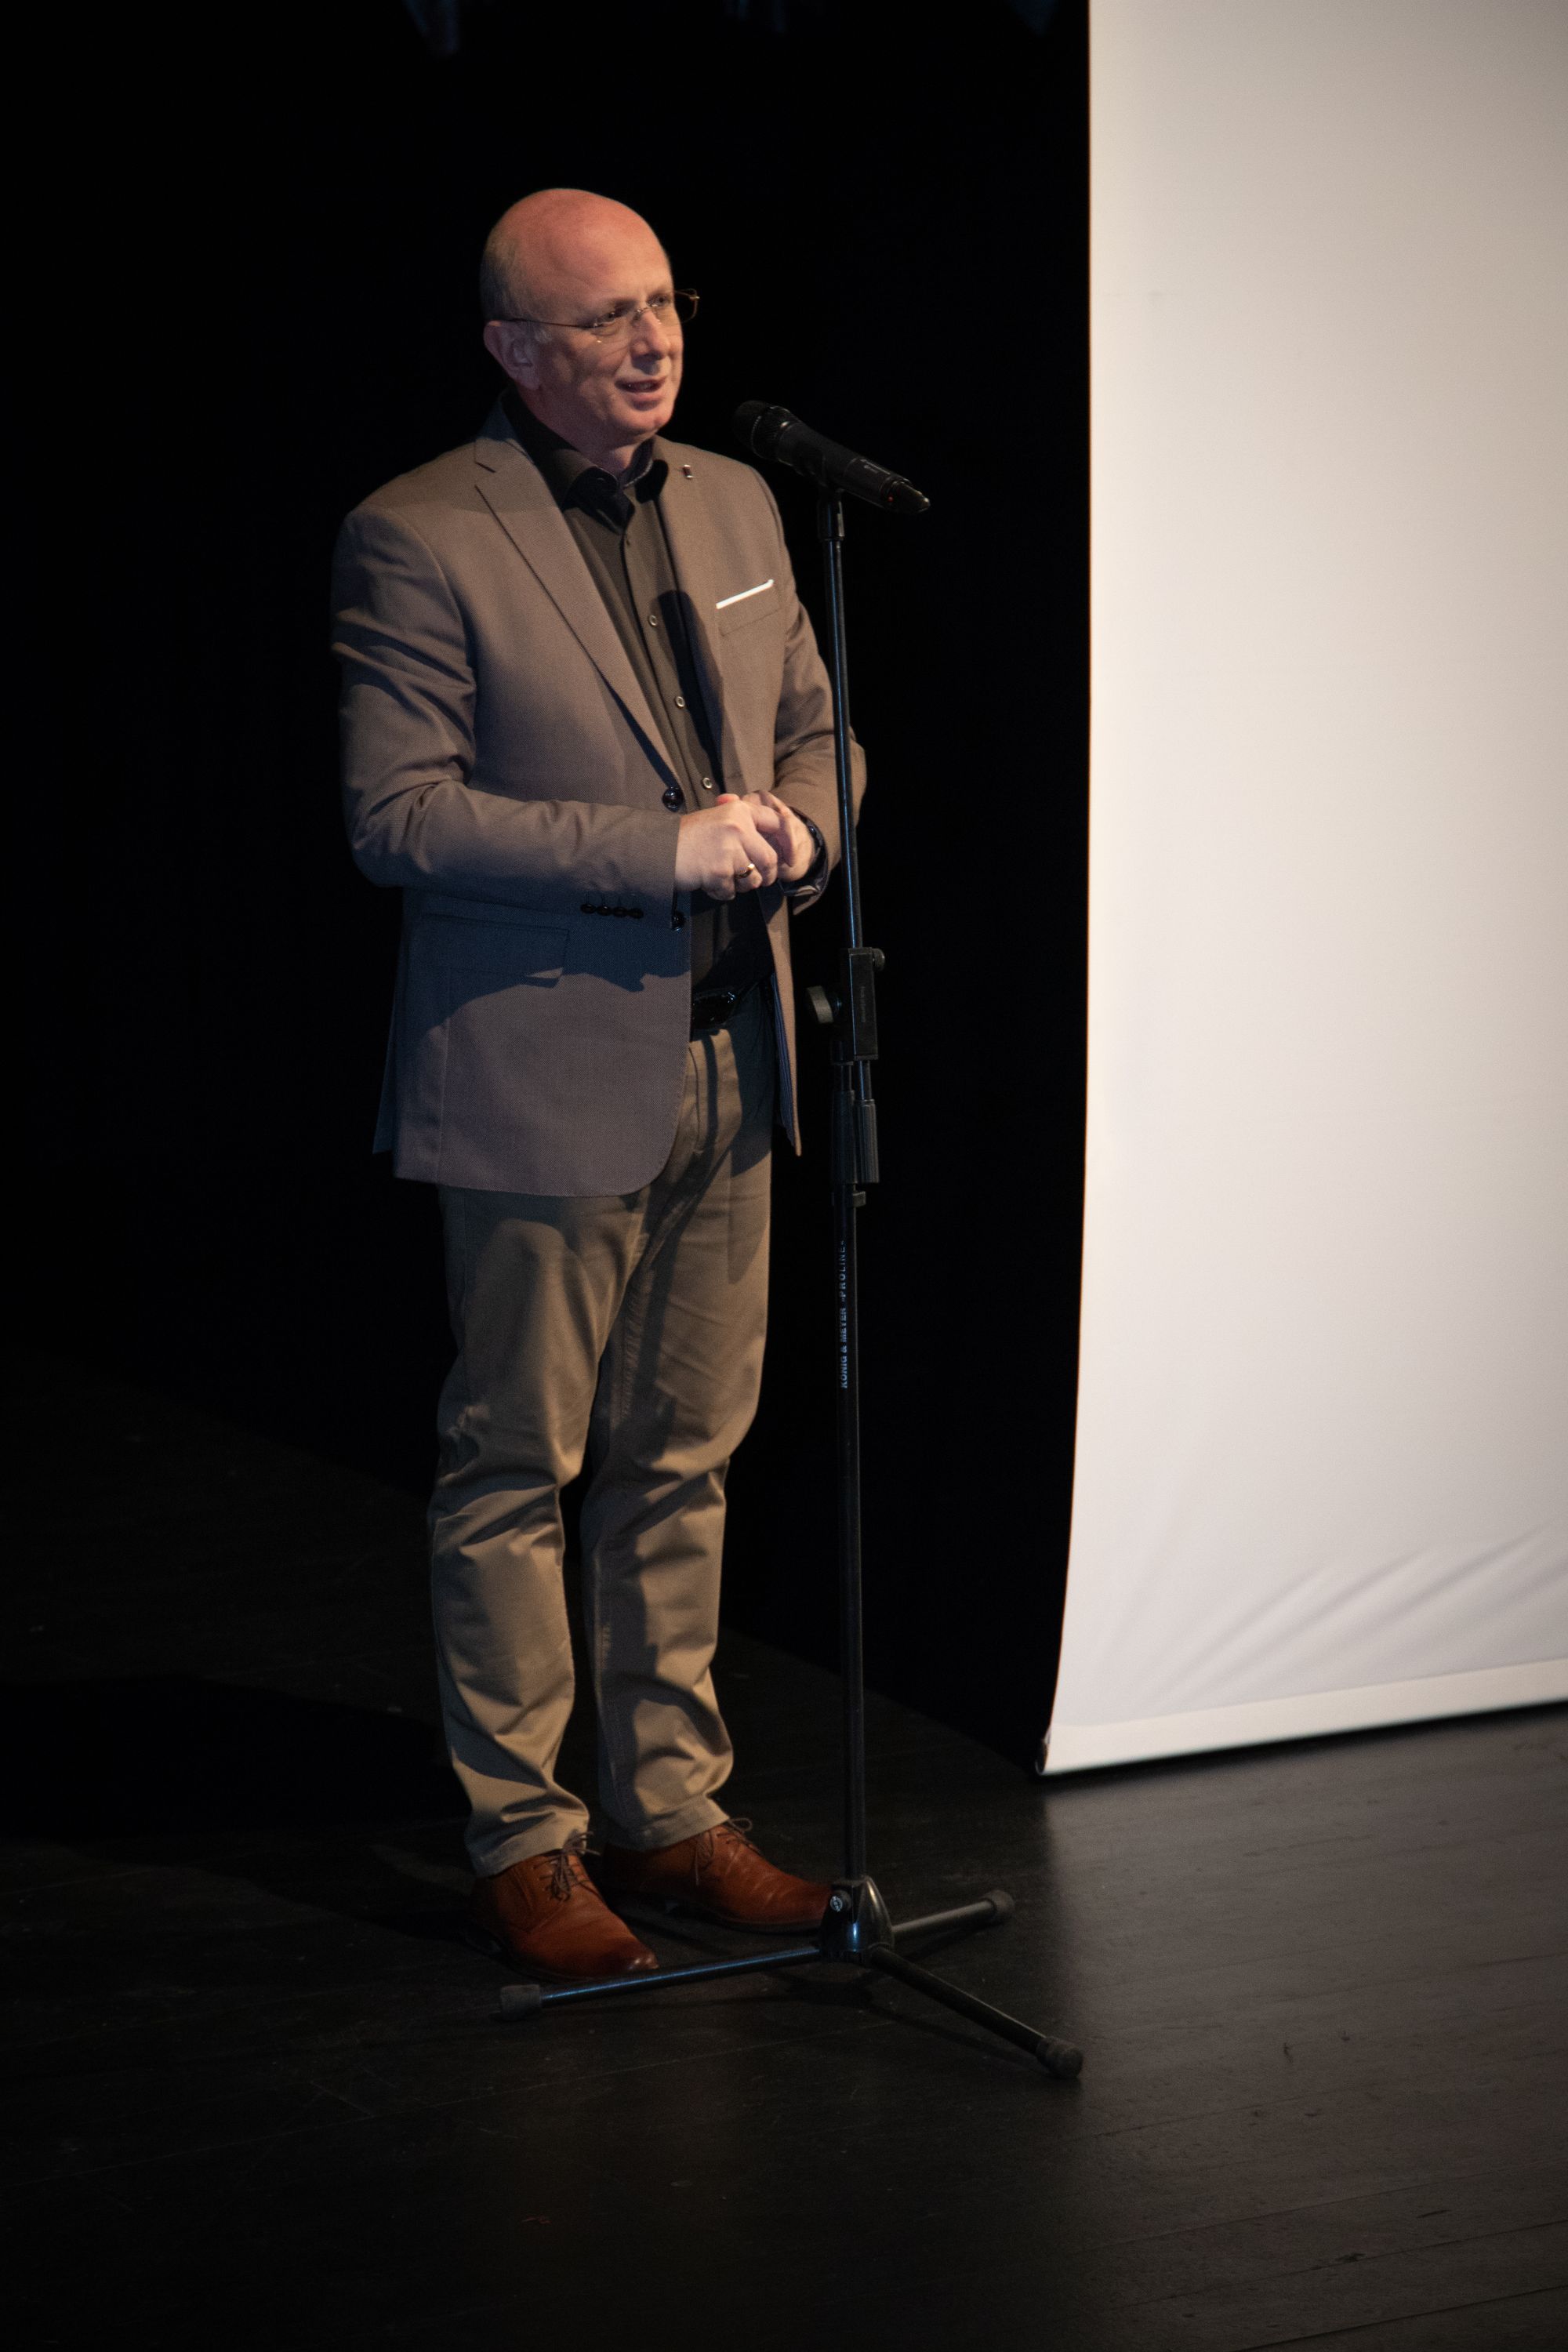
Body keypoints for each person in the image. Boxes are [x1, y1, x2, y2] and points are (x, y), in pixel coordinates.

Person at [332, 188, 864, 1981]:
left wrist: (807, 825)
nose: (653, 343)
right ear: (512, 349)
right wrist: (660, 850)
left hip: (735, 1056)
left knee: (686, 1456)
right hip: (543, 1071)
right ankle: (526, 1840)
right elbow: (397, 816)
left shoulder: (738, 500)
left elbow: (818, 724)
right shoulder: (419, 531)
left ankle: (669, 1810)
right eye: (604, 320)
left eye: (664, 304)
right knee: (516, 1463)